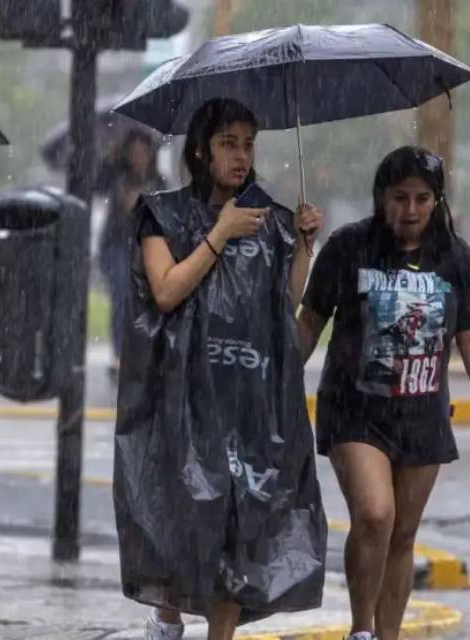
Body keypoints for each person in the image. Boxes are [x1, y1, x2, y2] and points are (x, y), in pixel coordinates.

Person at [112, 98, 326, 640]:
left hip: (247, 406)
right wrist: (220, 233)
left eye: (249, 144)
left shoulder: (269, 220)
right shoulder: (161, 214)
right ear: (203, 149)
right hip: (183, 401)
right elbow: (165, 292)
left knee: (236, 531)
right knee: (187, 520)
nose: (241, 155)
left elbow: (283, 307)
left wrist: (302, 249)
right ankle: (167, 613)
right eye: (229, 142)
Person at [296, 146, 470, 640]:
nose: (411, 211)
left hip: (422, 413)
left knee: (402, 534)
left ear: (437, 201)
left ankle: (386, 635)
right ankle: (360, 630)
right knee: (375, 515)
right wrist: (278, 383)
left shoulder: (455, 258)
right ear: (380, 197)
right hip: (354, 409)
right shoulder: (349, 248)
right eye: (399, 198)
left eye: (422, 199)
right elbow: (309, 323)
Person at [97, 128, 166, 378]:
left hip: (147, 246)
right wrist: (110, 156)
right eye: (133, 150)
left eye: (143, 150)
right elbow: (96, 183)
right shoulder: (116, 176)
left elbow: (164, 215)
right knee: (122, 295)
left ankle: (143, 353)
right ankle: (119, 355)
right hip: (116, 246)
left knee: (147, 300)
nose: (139, 156)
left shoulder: (157, 182)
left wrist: (142, 207)